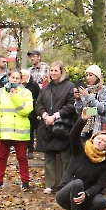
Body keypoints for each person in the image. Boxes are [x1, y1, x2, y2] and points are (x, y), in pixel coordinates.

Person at [55, 108, 106, 210]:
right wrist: (82, 120)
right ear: (93, 139)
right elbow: (73, 135)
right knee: (77, 183)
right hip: (66, 193)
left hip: (85, 195)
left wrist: (87, 194)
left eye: (103, 141)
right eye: (98, 138)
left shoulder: (104, 162)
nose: (100, 141)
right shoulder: (80, 150)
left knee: (101, 201)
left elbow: (100, 185)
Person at [0, 69, 33, 191]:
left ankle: (25, 182)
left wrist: (15, 97)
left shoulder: (26, 93)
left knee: (22, 157)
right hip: (3, 130)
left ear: (20, 80)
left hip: (20, 131)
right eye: (13, 77)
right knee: (2, 157)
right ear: (8, 78)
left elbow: (26, 111)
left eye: (17, 78)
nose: (14, 80)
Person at [35, 61, 76, 194]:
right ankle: (50, 184)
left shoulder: (69, 86)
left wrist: (56, 116)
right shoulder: (45, 88)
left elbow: (71, 105)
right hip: (46, 126)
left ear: (61, 71)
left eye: (56, 71)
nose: (53, 73)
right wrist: (45, 115)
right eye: (51, 71)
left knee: (65, 156)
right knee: (49, 157)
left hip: (63, 125)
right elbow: (39, 103)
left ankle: (64, 184)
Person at [73, 65, 106, 137]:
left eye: (91, 75)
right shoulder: (86, 90)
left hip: (99, 128)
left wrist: (87, 97)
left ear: (97, 76)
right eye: (87, 75)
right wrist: (78, 100)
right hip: (85, 129)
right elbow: (80, 112)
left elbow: (103, 108)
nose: (88, 78)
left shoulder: (104, 89)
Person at [20, 69, 40, 159]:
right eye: (21, 76)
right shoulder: (18, 86)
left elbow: (38, 97)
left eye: (24, 75)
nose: (22, 77)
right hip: (20, 110)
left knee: (31, 131)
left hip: (32, 111)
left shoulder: (34, 85)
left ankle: (31, 149)